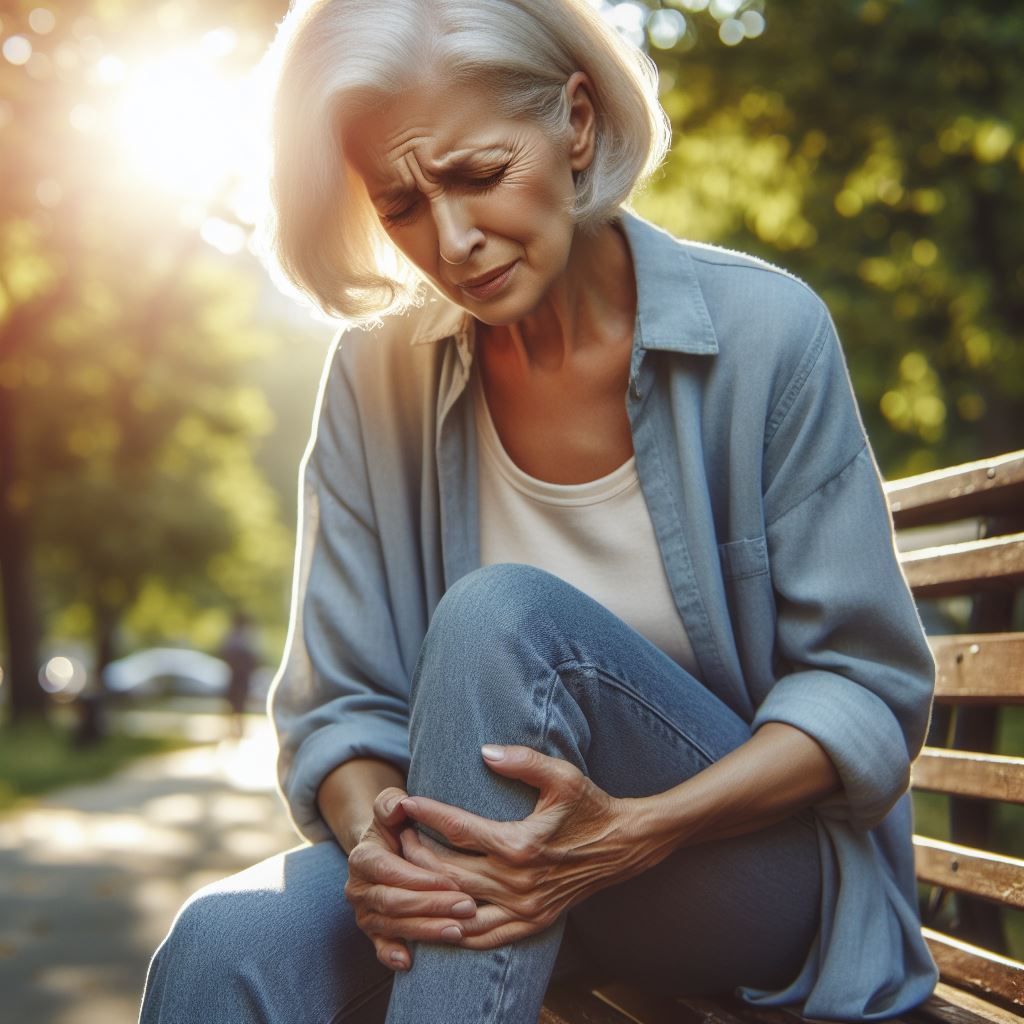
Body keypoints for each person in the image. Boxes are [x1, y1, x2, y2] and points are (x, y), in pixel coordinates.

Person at [138, 1, 939, 1022]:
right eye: (401, 205)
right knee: (224, 946)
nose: (454, 240)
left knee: (502, 622)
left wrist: (631, 831)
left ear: (576, 122)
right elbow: (341, 708)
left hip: (746, 874)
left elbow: (864, 691)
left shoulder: (765, 333)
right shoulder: (374, 377)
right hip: (486, 868)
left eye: (477, 174)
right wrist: (379, 843)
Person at [218, 609, 261, 739]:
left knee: (239, 704)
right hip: (236, 676)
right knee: (234, 704)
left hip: (240, 677)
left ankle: (238, 729)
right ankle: (234, 729)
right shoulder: (238, 637)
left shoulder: (243, 637)